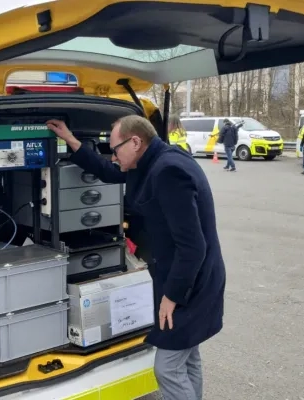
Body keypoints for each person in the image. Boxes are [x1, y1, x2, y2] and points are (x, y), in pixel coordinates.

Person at [46, 116, 226, 400]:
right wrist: (71, 140)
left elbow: (193, 246)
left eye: (115, 149)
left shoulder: (168, 172)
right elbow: (108, 171)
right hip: (191, 277)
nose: (113, 155)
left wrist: (173, 296)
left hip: (191, 283)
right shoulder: (150, 160)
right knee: (187, 357)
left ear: (135, 142)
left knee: (167, 368)